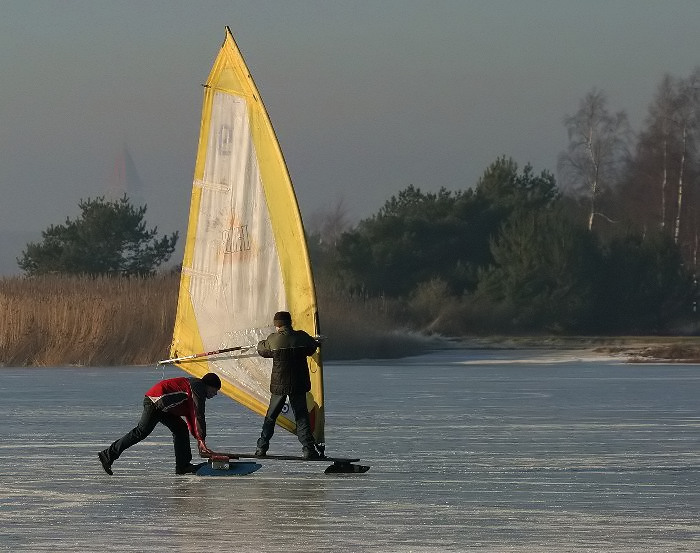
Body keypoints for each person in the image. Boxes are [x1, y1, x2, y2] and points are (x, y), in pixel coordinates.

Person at [98, 373, 221, 475]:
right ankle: (107, 455)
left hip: (165, 407)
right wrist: (201, 439)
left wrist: (199, 439)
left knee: (181, 429)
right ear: (208, 385)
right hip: (155, 402)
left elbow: (191, 416)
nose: (215, 394)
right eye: (215, 390)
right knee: (141, 431)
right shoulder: (198, 387)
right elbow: (198, 413)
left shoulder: (195, 391)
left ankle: (183, 466)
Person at [255, 311, 323, 460]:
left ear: (276, 324)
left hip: (279, 385)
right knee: (301, 417)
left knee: (271, 416)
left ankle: (261, 447)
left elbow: (262, 350)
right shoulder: (302, 336)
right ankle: (308, 450)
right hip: (298, 384)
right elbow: (311, 348)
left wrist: (260, 343)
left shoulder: (273, 339)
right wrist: (315, 342)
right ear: (290, 322)